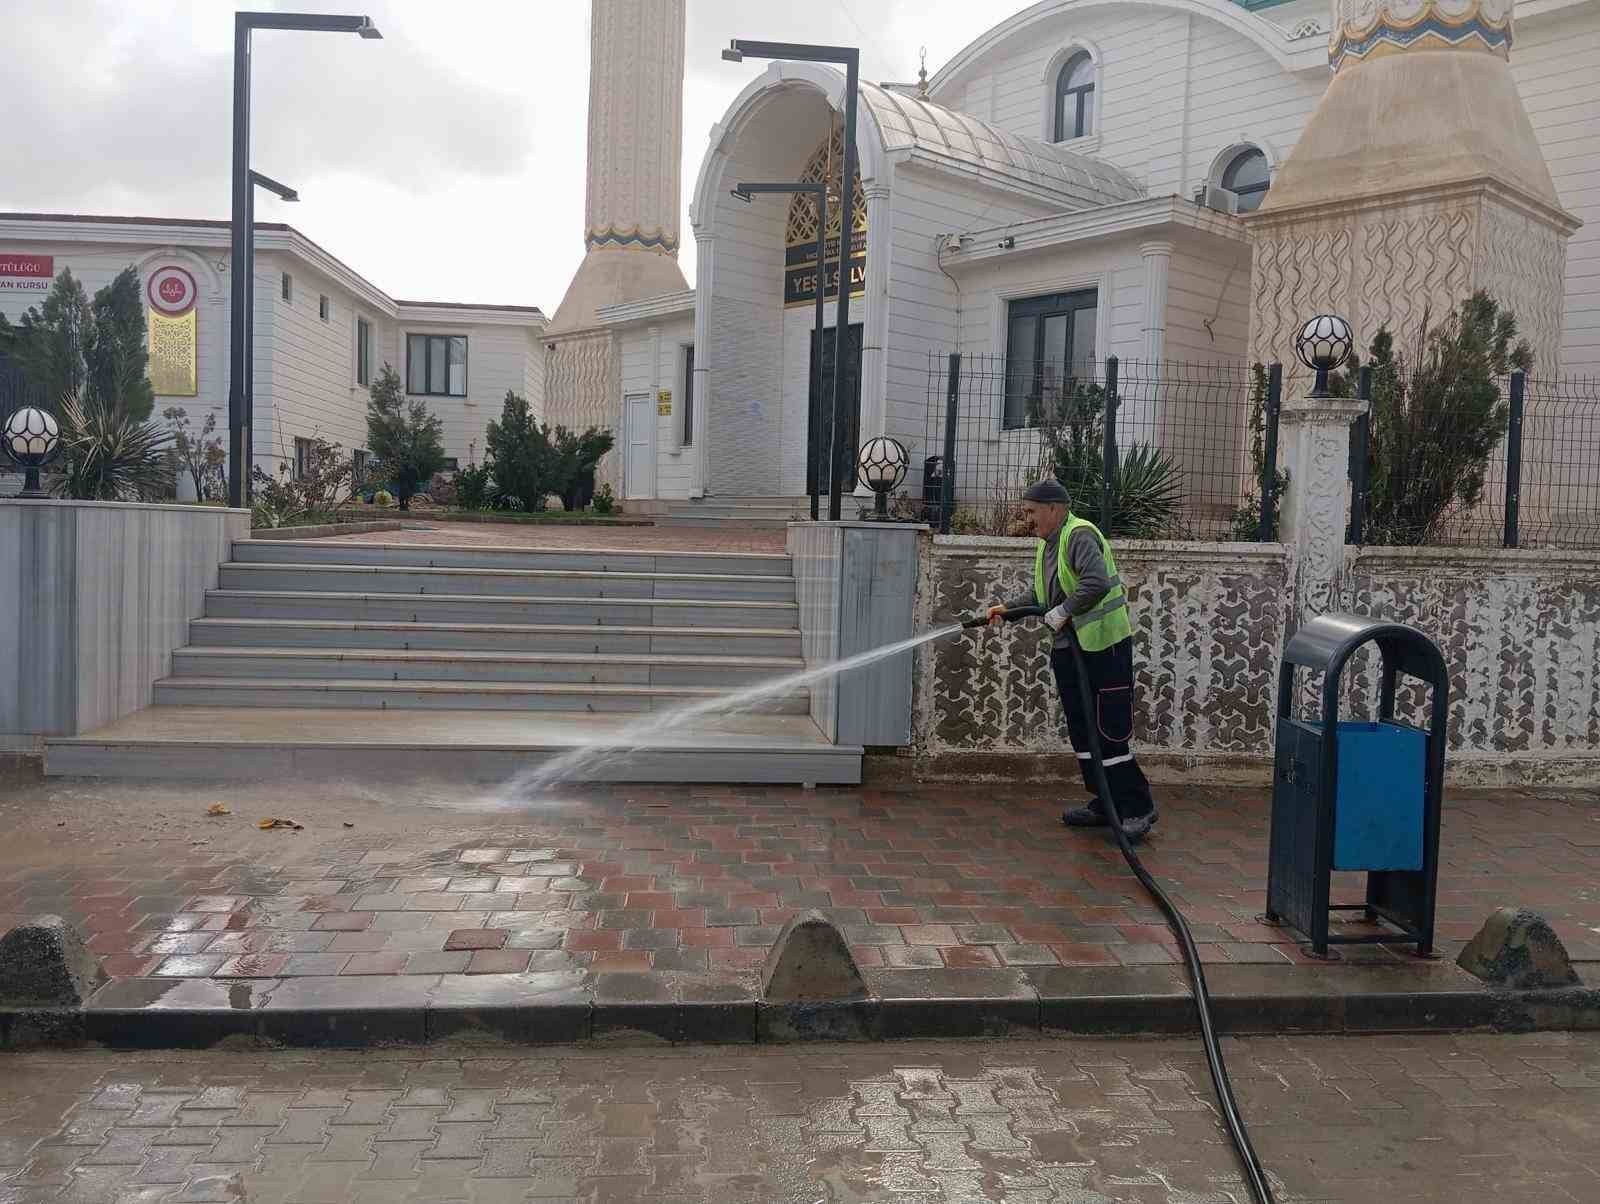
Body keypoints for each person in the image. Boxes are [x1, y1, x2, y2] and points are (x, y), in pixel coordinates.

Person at [986, 479, 1159, 841]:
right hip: (1071, 649)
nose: (1027, 518)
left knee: (1108, 730)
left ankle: (1137, 807)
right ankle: (1105, 801)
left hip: (1102, 648)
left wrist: (1063, 610)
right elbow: (1041, 592)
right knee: (1082, 730)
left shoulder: (1078, 535)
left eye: (1032, 511)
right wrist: (1010, 609)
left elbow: (1094, 582)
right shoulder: (1048, 543)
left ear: (1055, 508)